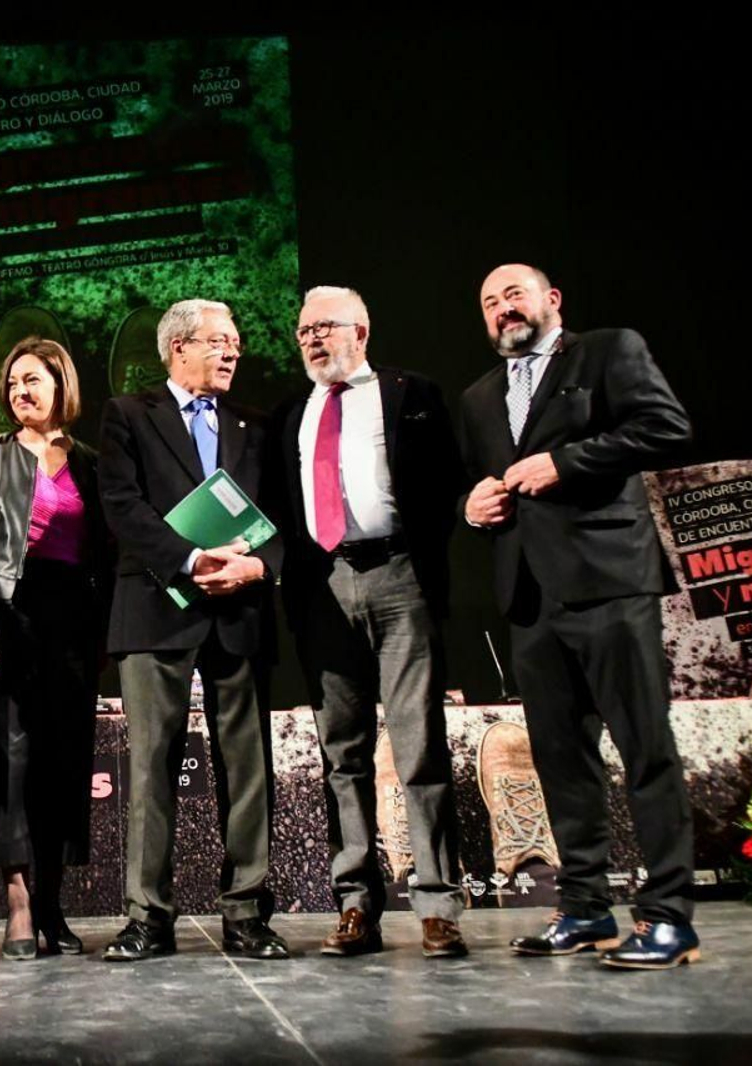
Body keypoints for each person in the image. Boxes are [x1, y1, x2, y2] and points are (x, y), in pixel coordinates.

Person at [459, 263, 698, 969]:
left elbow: (666, 426)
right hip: (531, 599)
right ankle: (586, 908)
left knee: (645, 748)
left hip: (609, 584)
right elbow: (485, 484)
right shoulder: (478, 397)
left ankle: (667, 918)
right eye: (490, 302)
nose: (504, 308)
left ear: (551, 300)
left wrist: (567, 461)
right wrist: (471, 508)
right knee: (561, 762)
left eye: (515, 294)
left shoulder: (608, 350)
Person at [271, 285, 469, 958]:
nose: (312, 340)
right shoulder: (290, 413)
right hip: (323, 586)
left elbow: (447, 484)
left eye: (324, 327)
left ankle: (439, 905)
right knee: (342, 756)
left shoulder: (411, 394)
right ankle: (356, 905)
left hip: (398, 577)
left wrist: (417, 560)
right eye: (303, 331)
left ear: (361, 327)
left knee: (418, 747)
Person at [96, 299, 288, 961]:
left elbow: (281, 518)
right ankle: (148, 919)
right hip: (156, 608)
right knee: (152, 770)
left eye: (235, 342)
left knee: (247, 769)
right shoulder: (127, 416)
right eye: (218, 342)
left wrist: (256, 568)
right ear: (178, 348)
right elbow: (121, 504)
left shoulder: (256, 425)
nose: (232, 352)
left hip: (240, 614)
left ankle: (248, 917)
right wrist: (190, 559)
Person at [0, 337, 112, 960]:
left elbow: (108, 553)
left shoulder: (93, 462)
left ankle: (52, 903)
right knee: (7, 764)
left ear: (61, 386)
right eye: (14, 383)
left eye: (34, 380)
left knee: (62, 764)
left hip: (73, 626)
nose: (22, 392)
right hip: (5, 616)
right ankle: (19, 904)